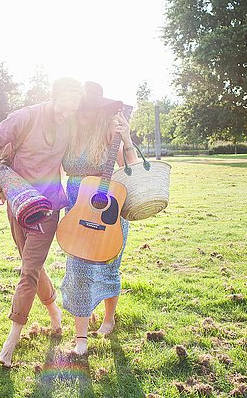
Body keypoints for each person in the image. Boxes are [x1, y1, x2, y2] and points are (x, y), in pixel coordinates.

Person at [0, 77, 83, 367]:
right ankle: (55, 315)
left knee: (28, 271)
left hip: (48, 208)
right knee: (32, 265)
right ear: (53, 97)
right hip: (17, 204)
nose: (68, 113)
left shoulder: (70, 124)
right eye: (64, 105)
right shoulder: (25, 117)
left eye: (74, 107)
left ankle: (10, 343)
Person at [60, 81, 139, 355]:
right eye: (80, 108)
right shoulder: (66, 135)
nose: (83, 113)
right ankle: (80, 336)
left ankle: (108, 317)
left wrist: (127, 139)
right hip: (77, 206)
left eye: (89, 109)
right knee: (78, 270)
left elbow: (131, 170)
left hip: (108, 209)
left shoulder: (109, 134)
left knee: (108, 266)